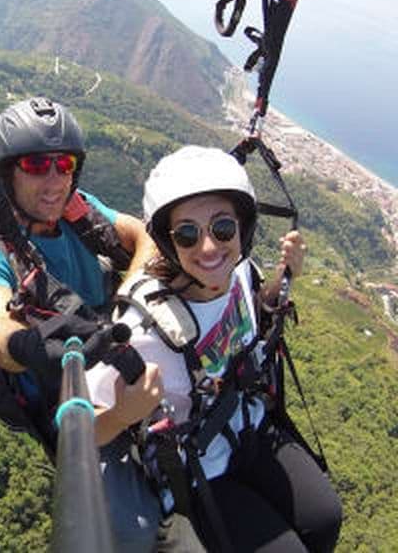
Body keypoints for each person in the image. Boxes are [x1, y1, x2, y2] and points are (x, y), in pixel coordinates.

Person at [87, 145, 342, 552]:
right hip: (199, 468)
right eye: (187, 234)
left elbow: (252, 316)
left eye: (222, 228)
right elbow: (78, 427)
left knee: (325, 520)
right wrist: (121, 415)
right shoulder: (142, 328)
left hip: (250, 426)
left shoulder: (241, 273)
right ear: (167, 242)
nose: (208, 248)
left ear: (243, 228)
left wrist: (284, 276)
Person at [0, 96, 162, 548]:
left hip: (115, 349)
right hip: (66, 393)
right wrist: (30, 347)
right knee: (132, 533)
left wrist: (128, 298)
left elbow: (144, 236)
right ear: (7, 173)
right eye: (36, 165)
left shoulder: (78, 210)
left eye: (64, 164)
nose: (54, 181)